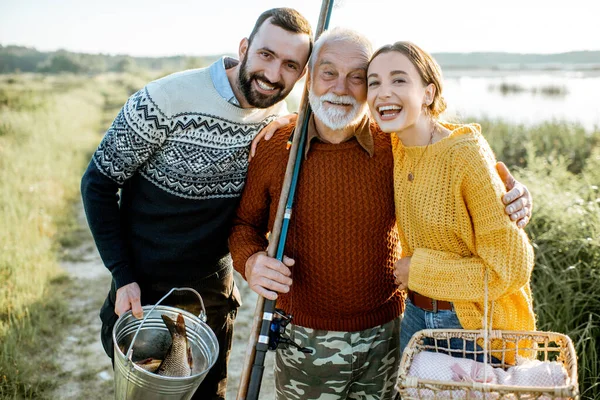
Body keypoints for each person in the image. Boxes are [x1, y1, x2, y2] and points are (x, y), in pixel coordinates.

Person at [229, 28, 532, 400]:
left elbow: (448, 147)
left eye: (357, 77)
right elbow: (245, 225)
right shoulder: (278, 147)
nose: (341, 88)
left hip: (390, 333)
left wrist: (512, 192)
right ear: (309, 79)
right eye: (328, 73)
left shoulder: (395, 140)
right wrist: (251, 261)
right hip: (303, 339)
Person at [80, 8, 312, 399]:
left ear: (302, 74)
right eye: (266, 55)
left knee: (208, 394)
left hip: (213, 294)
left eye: (290, 65)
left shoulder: (279, 116)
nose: (274, 74)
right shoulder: (165, 98)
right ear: (244, 48)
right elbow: (98, 183)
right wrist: (123, 276)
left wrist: (288, 125)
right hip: (144, 285)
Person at [366, 41, 536, 363]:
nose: (383, 92)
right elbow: (335, 122)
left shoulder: (465, 154)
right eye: (374, 82)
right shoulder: (395, 144)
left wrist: (419, 270)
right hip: (414, 317)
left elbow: (511, 267)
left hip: (471, 329)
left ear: (428, 93)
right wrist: (278, 124)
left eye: (398, 80)